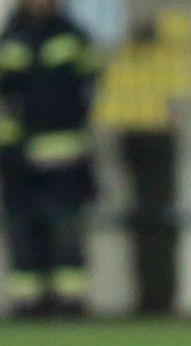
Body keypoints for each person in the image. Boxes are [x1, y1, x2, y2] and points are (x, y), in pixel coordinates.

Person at [0, 0, 97, 317]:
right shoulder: (11, 38)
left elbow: (89, 86)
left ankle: (69, 300)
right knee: (22, 227)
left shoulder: (72, 35)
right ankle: (28, 301)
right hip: (17, 153)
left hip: (64, 149)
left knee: (66, 226)